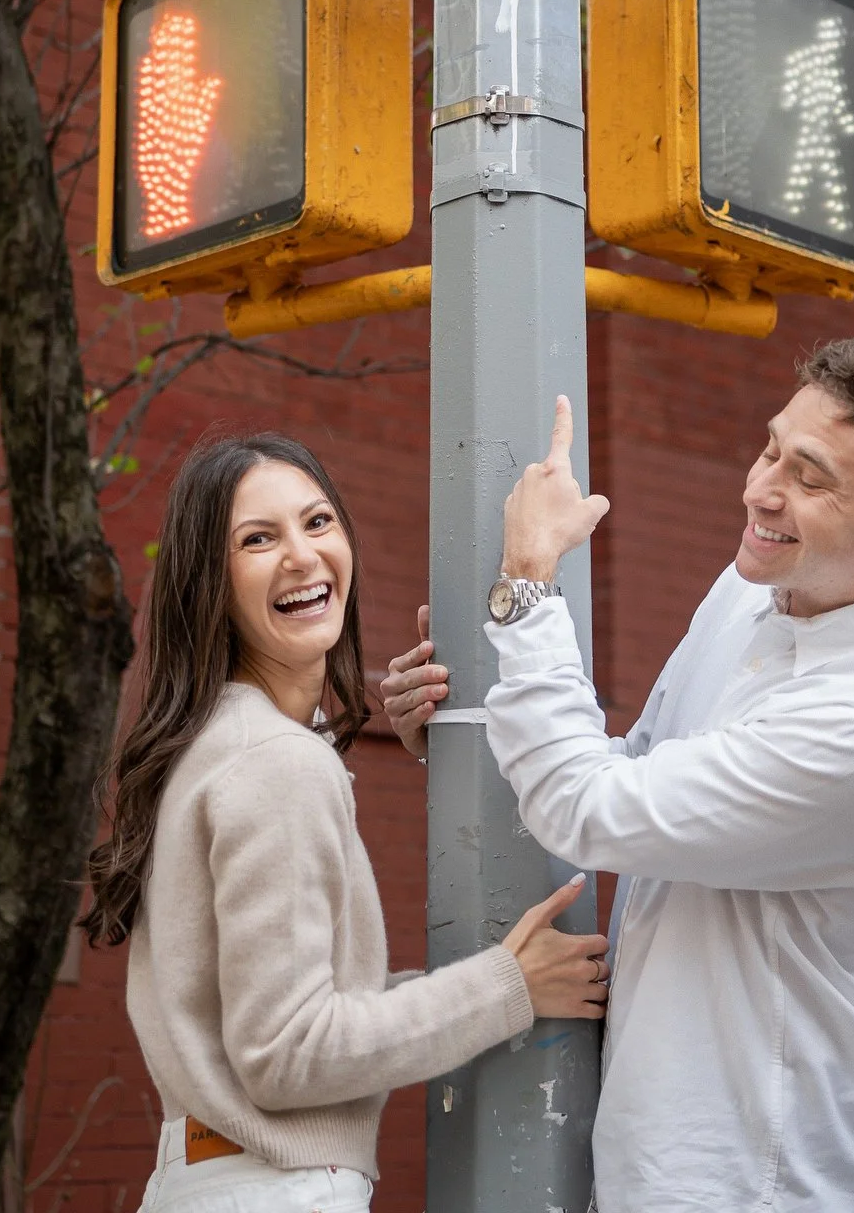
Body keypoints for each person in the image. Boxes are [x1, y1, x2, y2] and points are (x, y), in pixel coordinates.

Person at [383, 336, 854, 1212]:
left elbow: (590, 808)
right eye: (771, 446)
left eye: (811, 478)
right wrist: (465, 730)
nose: (761, 489)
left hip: (762, 1182)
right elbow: (636, 774)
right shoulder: (757, 589)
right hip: (653, 1159)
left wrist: (528, 583)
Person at [84, 432, 608, 1213]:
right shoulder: (273, 762)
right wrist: (509, 987)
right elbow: (290, 1054)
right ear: (209, 582)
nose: (301, 555)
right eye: (258, 539)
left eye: (317, 522)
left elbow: (310, 1011)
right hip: (271, 1189)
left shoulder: (221, 744)